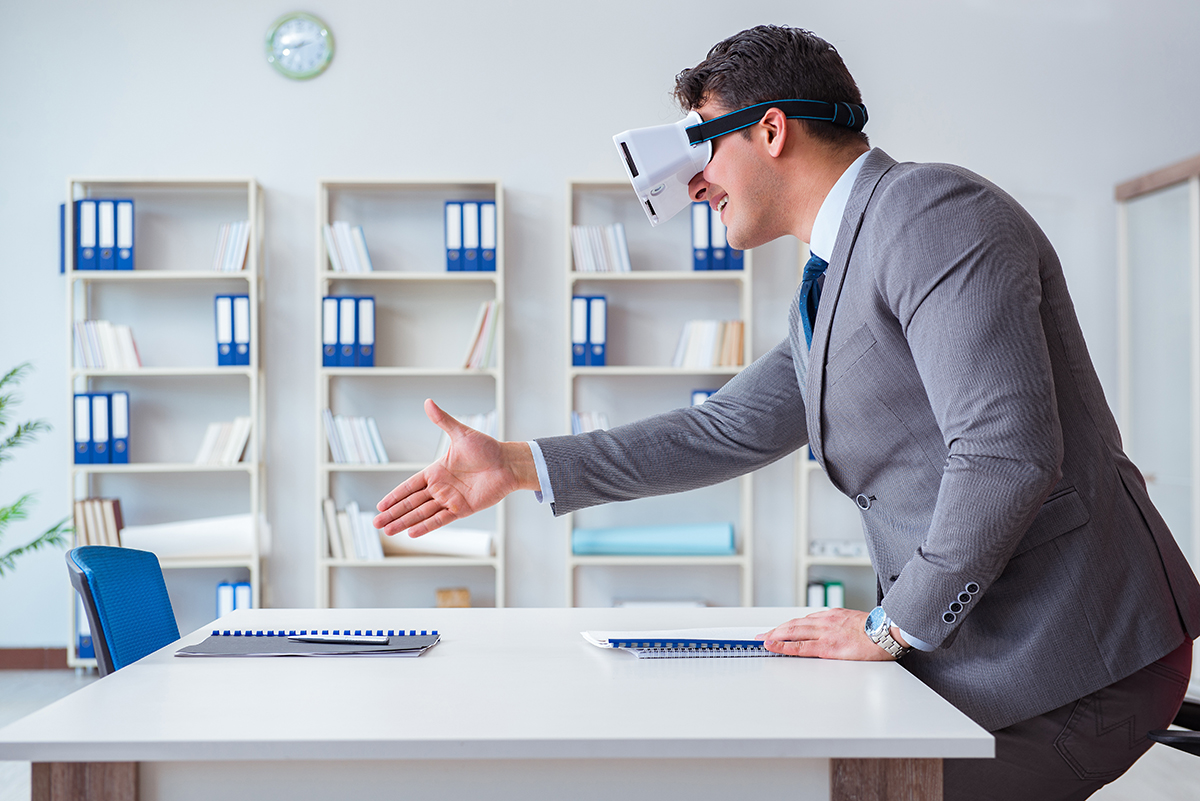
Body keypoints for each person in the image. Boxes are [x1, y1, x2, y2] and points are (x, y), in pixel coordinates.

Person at [374, 25, 1200, 800]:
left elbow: (1005, 453)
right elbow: (723, 427)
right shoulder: (834, 276)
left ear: (772, 131)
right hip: (989, 648)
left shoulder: (929, 212)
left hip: (1074, 661)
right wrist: (519, 465)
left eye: (702, 148)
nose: (694, 183)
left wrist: (891, 628)